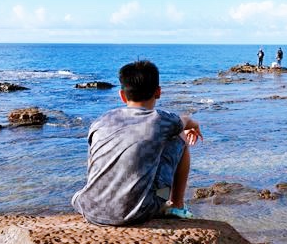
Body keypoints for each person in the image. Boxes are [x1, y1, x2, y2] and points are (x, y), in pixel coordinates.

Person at [71, 60, 203, 226]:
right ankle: (176, 204)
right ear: (158, 92)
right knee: (179, 138)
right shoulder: (161, 120)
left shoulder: (100, 122)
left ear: (122, 95)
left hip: (89, 208)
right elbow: (183, 121)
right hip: (139, 212)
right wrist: (193, 125)